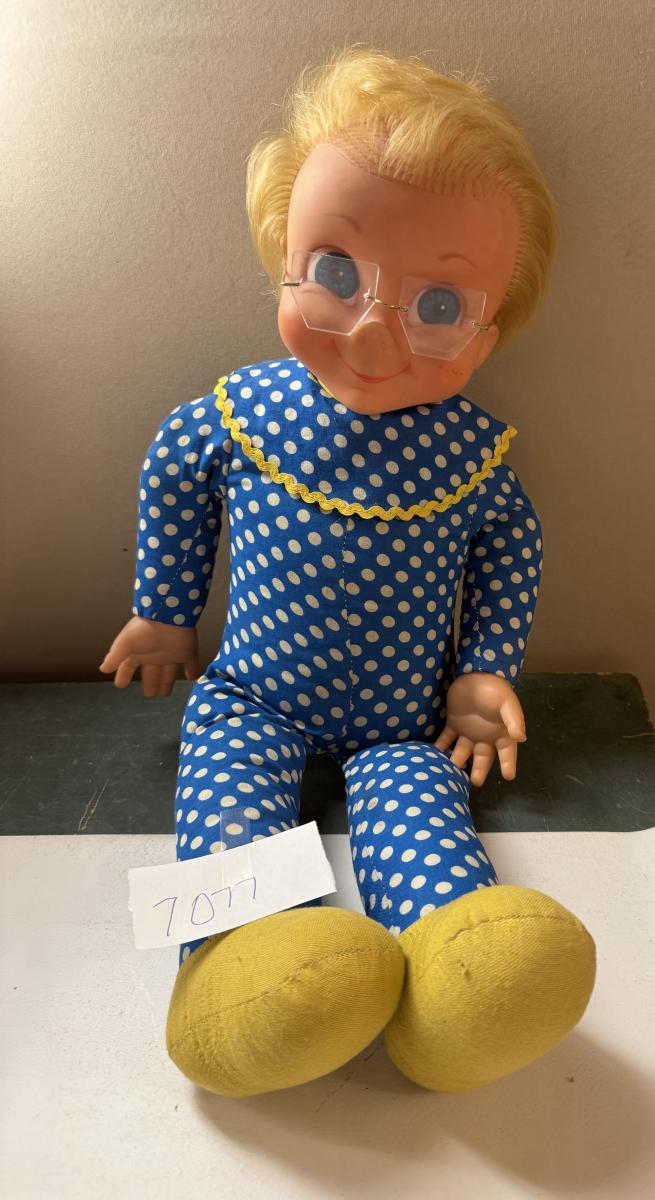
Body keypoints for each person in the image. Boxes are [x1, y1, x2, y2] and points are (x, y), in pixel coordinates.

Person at [100, 46, 595, 1097]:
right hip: (252, 697)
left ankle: (461, 987)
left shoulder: (469, 456)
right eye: (335, 274)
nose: (372, 330)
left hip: (402, 725)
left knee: (423, 815)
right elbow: (176, 477)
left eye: (438, 305)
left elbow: (511, 548)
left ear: (488, 334)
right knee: (228, 796)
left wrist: (483, 672)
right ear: (284, 253)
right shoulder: (243, 414)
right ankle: (245, 971)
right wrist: (165, 614)